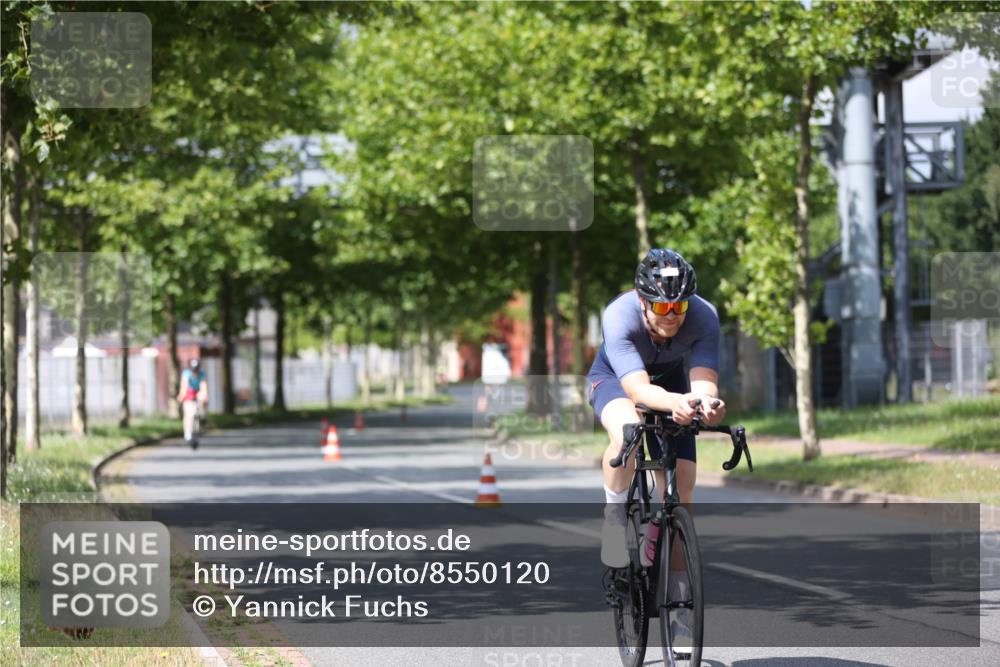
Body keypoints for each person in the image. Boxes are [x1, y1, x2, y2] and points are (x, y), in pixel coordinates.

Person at [588, 248, 725, 649]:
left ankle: (680, 605)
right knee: (628, 430)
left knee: (683, 488)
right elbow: (639, 390)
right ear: (644, 301)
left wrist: (707, 404)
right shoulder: (619, 315)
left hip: (672, 380)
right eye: (662, 305)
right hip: (617, 379)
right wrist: (675, 403)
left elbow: (702, 382)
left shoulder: (703, 315)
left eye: (679, 304)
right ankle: (614, 518)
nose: (672, 313)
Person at [177, 358, 208, 449]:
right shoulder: (186, 374)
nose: (195, 372)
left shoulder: (202, 374)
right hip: (189, 394)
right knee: (189, 414)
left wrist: (204, 396)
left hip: (197, 393)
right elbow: (184, 386)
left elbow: (203, 387)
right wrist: (182, 395)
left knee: (202, 402)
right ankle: (188, 434)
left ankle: (202, 419)